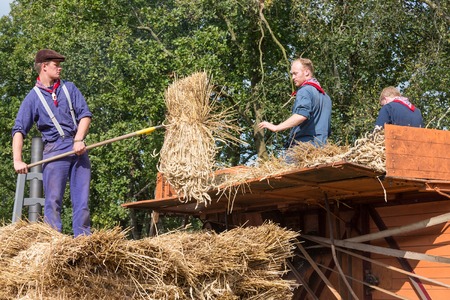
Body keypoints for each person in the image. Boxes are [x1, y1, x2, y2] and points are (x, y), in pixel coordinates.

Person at [12, 49, 92, 237]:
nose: (60, 68)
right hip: (54, 149)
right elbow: (18, 130)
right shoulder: (33, 98)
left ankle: (83, 240)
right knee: (53, 200)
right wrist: (17, 159)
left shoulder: (69, 88)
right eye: (56, 65)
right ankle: (53, 241)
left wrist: (79, 139)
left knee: (82, 200)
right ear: (44, 67)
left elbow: (85, 115)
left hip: (77, 146)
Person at [258, 58, 332, 150]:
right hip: (321, 148)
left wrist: (276, 127)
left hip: (303, 148)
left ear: (306, 72)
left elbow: (301, 115)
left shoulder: (305, 90)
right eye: (292, 74)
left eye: (295, 73)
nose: (293, 77)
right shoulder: (326, 97)